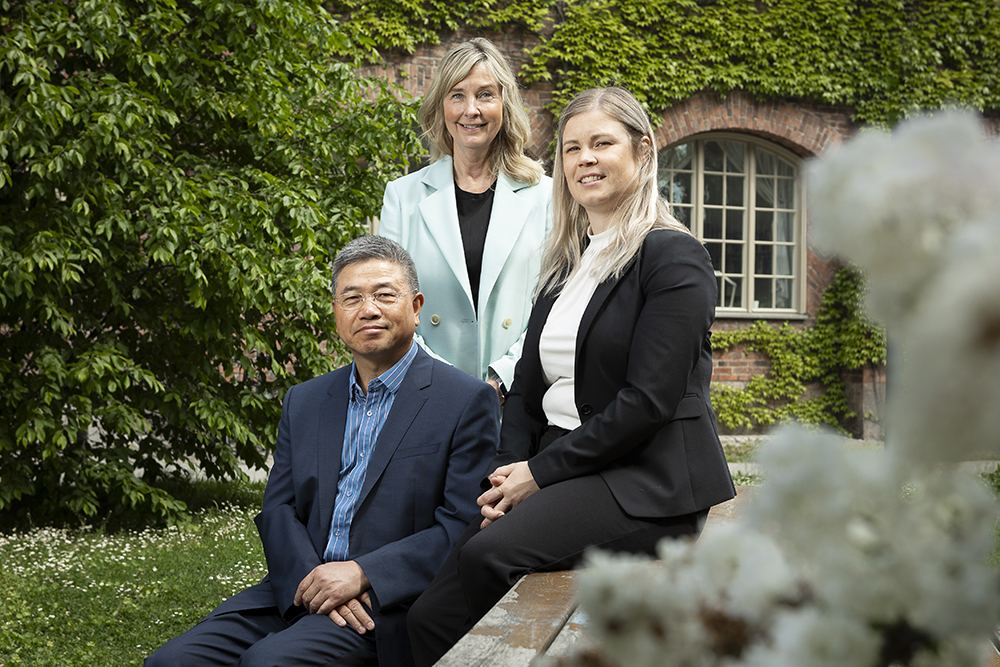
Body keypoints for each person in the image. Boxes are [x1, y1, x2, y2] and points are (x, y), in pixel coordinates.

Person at [406, 87, 736, 666]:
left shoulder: (673, 257)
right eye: (571, 148)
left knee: (489, 559)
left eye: (601, 143)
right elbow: (527, 392)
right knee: (428, 617)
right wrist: (501, 475)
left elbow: (648, 402)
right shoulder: (568, 261)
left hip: (646, 481)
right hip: (565, 467)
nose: (584, 158)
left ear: (642, 152)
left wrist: (535, 473)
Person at [146, 236, 499, 667]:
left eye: (385, 295)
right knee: (173, 662)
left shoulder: (464, 400)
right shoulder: (306, 400)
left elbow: (461, 524)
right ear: (336, 313)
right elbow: (279, 508)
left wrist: (362, 574)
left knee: (271, 663)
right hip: (297, 587)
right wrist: (312, 584)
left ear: (417, 306)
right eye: (351, 298)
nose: (368, 309)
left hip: (385, 600)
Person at [378, 37, 551, 403]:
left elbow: (554, 306)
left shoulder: (546, 196)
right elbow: (390, 306)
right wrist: (450, 389)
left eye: (485, 94)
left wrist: (501, 382)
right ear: (441, 107)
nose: (470, 110)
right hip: (426, 397)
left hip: (518, 398)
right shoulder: (402, 196)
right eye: (457, 95)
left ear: (505, 105)